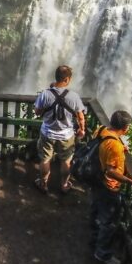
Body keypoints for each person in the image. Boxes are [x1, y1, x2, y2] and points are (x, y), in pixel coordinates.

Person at [90, 110, 132, 264]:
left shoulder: (102, 130)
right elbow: (111, 171)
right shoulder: (115, 146)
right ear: (125, 128)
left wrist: (121, 147)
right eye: (128, 126)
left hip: (95, 180)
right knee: (109, 222)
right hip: (108, 187)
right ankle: (102, 254)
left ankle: (94, 239)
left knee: (96, 211)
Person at [33, 65, 86, 194]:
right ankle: (64, 184)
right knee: (66, 160)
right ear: (67, 79)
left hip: (47, 132)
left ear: (56, 77)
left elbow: (37, 112)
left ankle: (43, 183)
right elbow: (80, 116)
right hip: (66, 135)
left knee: (45, 159)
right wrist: (82, 129)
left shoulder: (45, 94)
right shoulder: (74, 96)